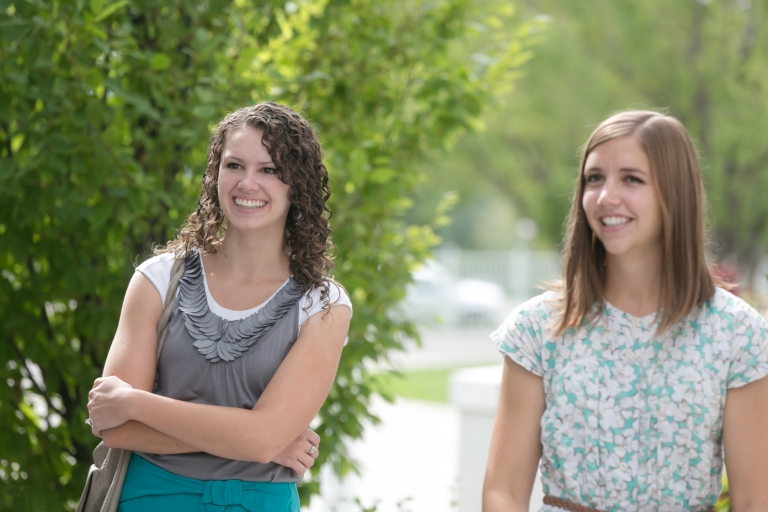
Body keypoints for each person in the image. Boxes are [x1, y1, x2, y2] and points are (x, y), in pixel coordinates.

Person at [483, 110, 768, 512]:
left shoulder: (738, 334)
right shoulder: (537, 330)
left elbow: (755, 500)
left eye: (631, 179)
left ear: (675, 192)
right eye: (594, 178)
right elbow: (503, 492)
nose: (605, 197)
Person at [86, 102, 352, 511]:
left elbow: (263, 438)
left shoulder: (324, 304)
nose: (248, 183)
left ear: (296, 185)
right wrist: (253, 441)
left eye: (269, 170)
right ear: (215, 174)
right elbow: (115, 426)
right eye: (234, 166)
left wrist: (137, 402)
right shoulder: (157, 279)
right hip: (150, 498)